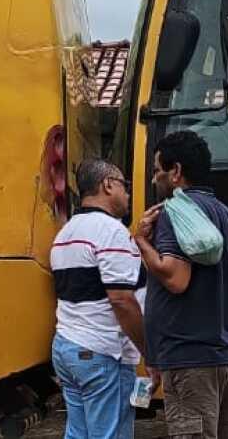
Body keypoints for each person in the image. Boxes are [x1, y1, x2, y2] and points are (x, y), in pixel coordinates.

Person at [134, 130, 228, 439]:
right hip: (227, 360)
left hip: (189, 360)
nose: (153, 180)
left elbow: (175, 279)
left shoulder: (176, 213)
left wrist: (140, 242)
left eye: (156, 171)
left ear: (175, 172)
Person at [49, 159, 147, 439]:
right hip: (102, 352)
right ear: (108, 185)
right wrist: (148, 350)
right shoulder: (111, 231)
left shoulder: (65, 234)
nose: (128, 194)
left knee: (79, 434)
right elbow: (121, 300)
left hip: (68, 348)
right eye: (124, 186)